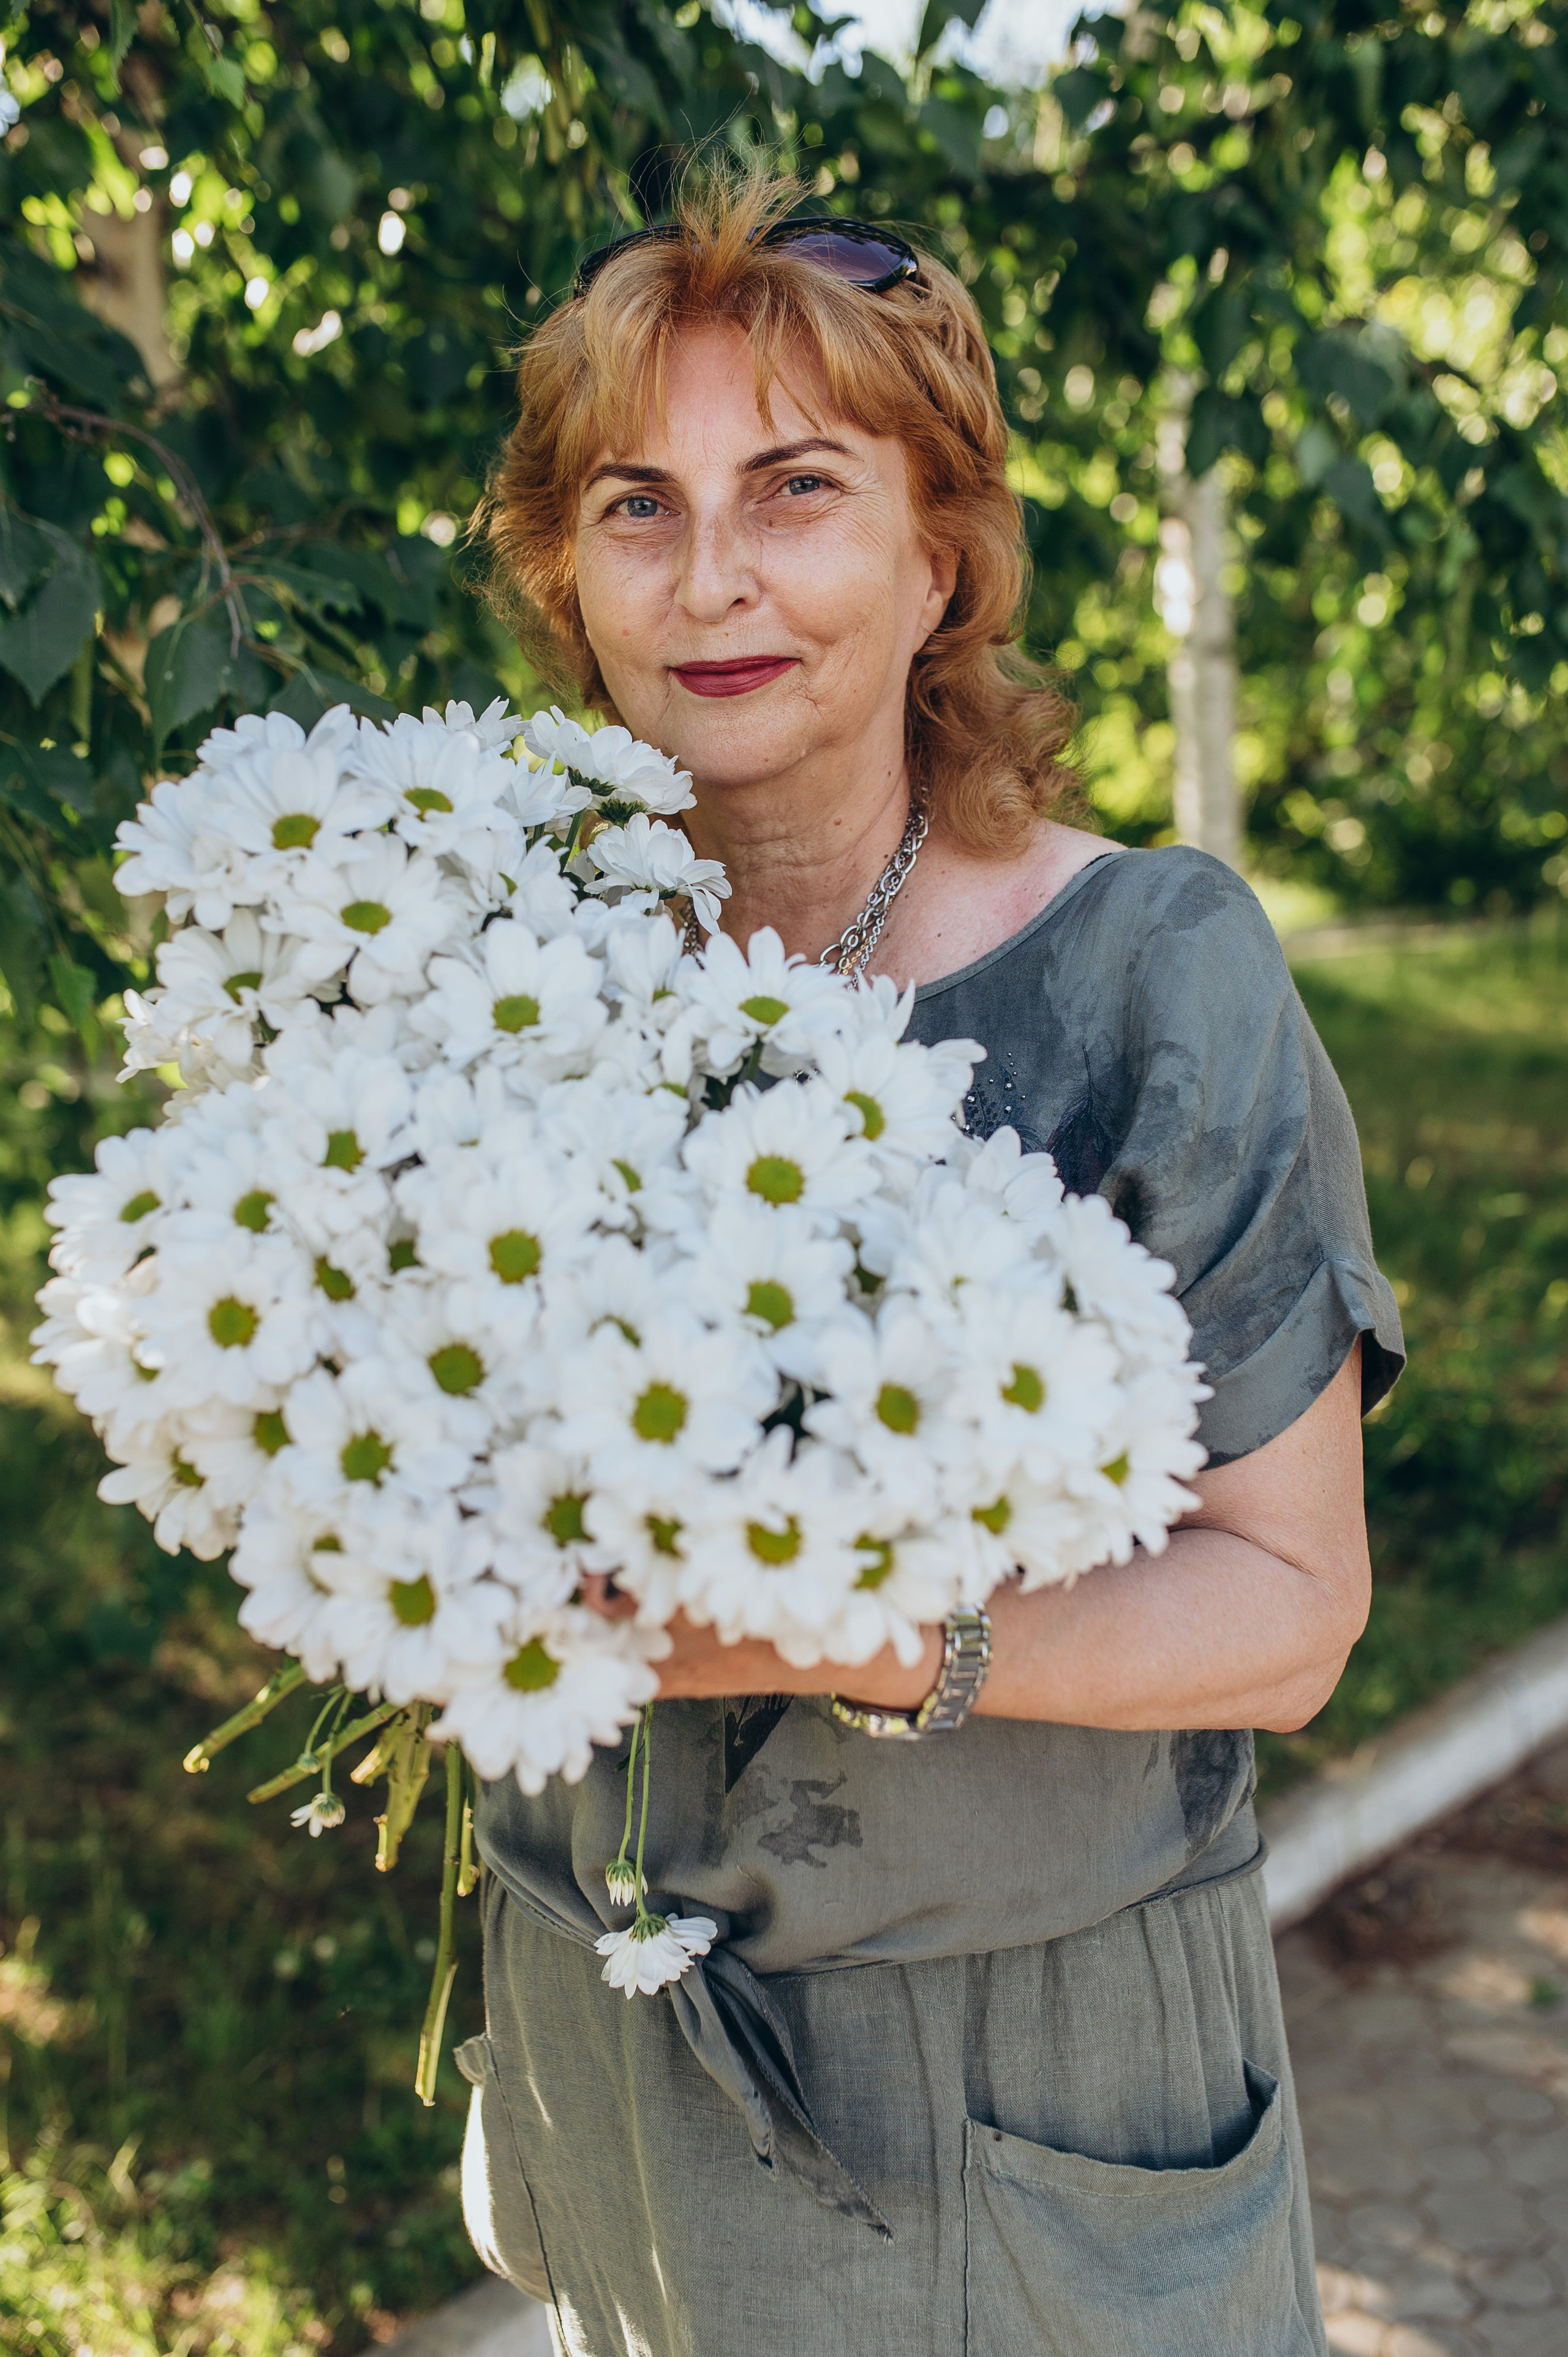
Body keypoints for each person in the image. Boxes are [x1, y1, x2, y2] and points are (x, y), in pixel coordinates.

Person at [458, 169, 1404, 2357]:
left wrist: (797, 1631)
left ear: (941, 553)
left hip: (1024, 2087)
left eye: (795, 491)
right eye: (636, 504)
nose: (712, 580)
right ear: (563, 570)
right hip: (607, 2043)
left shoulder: (1160, 976)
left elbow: (1291, 1613)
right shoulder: (495, 970)